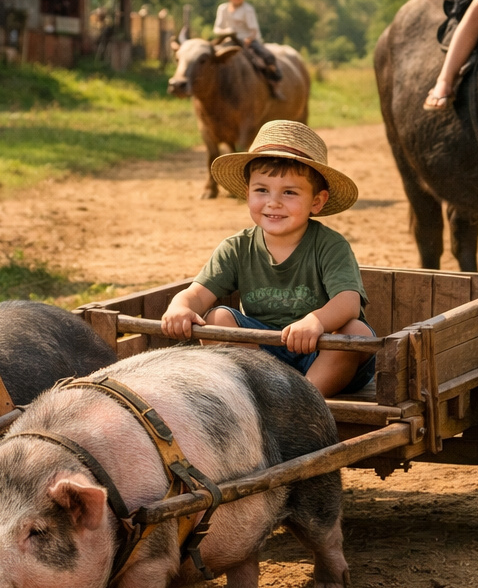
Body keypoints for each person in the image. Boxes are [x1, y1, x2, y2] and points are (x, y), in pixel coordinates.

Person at [161, 120, 375, 397]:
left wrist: (316, 321)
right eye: (262, 190)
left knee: (355, 330)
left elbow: (348, 302)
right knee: (217, 317)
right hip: (262, 356)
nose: (273, 202)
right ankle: (264, 391)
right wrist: (179, 306)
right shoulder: (237, 247)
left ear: (316, 202)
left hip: (321, 352)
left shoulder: (329, 246)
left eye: (289, 192)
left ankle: (305, 398)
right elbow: (197, 296)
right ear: (247, 192)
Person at [214, 0, 284, 99]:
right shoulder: (222, 9)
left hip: (248, 41)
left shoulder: (248, 9)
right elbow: (217, 29)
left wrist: (248, 40)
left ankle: (274, 83)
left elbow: (253, 30)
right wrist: (227, 32)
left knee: (267, 57)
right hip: (228, 40)